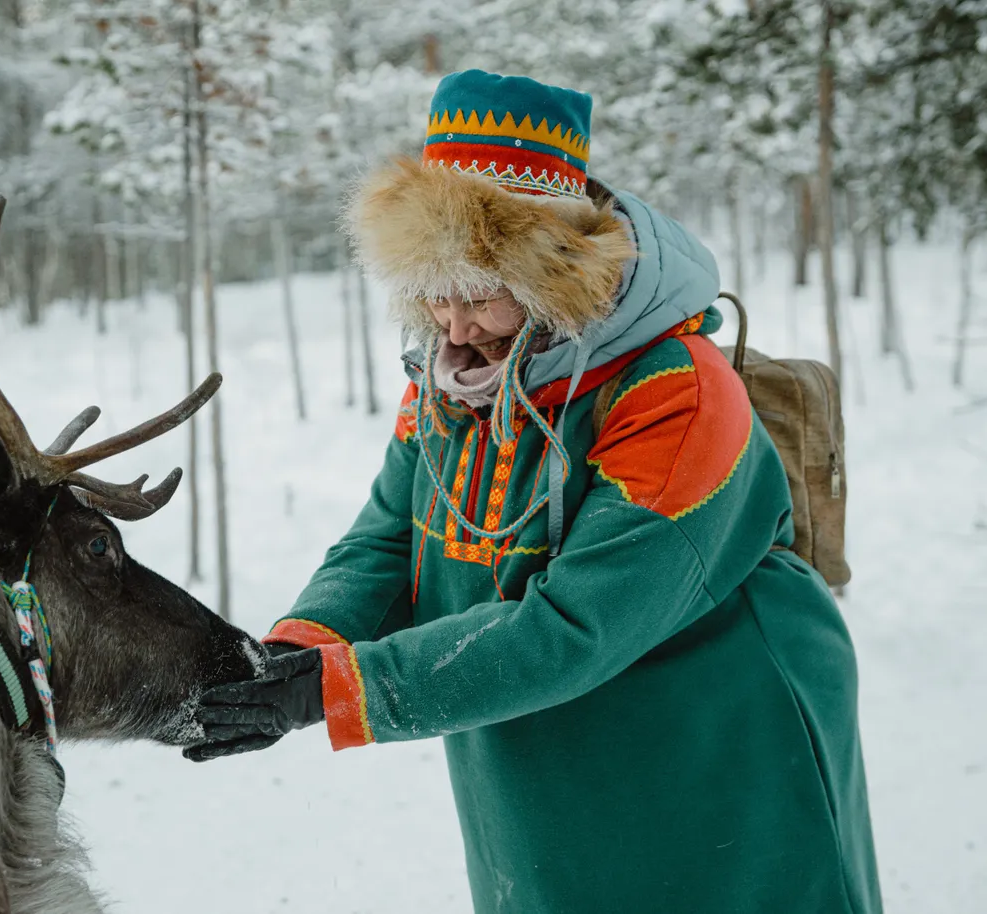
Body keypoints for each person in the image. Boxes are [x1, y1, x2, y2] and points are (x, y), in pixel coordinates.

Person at [187, 69, 882, 914]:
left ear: (554, 275)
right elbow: (389, 542)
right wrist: (301, 650)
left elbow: (576, 625)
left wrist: (340, 691)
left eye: (479, 295)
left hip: (714, 735)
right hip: (538, 736)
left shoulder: (675, 391)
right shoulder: (458, 380)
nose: (453, 327)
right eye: (431, 294)